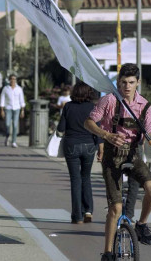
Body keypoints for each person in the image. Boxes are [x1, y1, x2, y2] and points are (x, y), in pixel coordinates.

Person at [84, 63, 151, 261]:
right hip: (112, 156)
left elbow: (150, 130)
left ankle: (142, 225)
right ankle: (108, 253)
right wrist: (106, 135)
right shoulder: (109, 100)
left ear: (138, 82)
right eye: (123, 82)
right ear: (118, 82)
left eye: (131, 82)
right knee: (116, 208)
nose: (126, 86)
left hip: (133, 154)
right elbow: (88, 122)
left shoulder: (144, 105)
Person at [57, 81, 102, 224]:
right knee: (86, 178)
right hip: (89, 145)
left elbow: (61, 127)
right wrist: (101, 148)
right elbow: (98, 129)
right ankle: (88, 210)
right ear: (89, 93)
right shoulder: (93, 108)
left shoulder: (68, 107)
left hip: (72, 145)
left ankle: (77, 216)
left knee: (75, 179)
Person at [0, 75, 25, 147]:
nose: (13, 80)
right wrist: (2, 110)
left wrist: (22, 110)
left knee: (15, 125)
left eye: (14, 79)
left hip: (17, 108)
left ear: (16, 80)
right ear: (9, 80)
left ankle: (14, 141)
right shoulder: (6, 88)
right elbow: (2, 99)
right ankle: (7, 136)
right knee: (7, 124)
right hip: (8, 108)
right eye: (11, 79)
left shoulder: (19, 89)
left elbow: (22, 100)